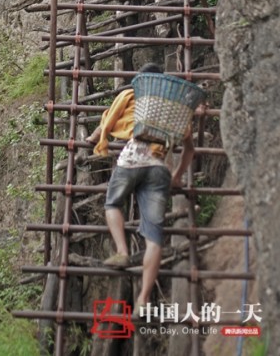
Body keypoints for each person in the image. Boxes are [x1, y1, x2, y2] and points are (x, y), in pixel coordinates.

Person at [84, 63, 201, 316]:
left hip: (132, 159)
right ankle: (144, 300)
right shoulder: (175, 108)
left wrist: (95, 139)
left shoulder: (130, 95)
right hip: (159, 168)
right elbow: (190, 149)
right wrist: (177, 176)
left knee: (113, 203)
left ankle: (123, 252)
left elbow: (109, 119)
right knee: (153, 236)